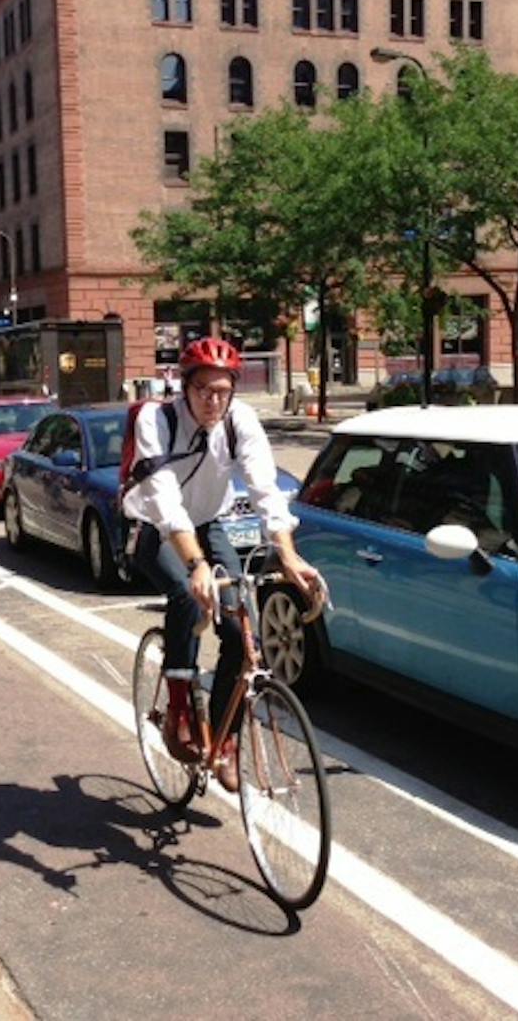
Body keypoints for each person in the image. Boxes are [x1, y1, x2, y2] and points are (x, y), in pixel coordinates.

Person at [123, 337, 322, 792]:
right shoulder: (157, 419)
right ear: (185, 387)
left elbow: (265, 489)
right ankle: (178, 710)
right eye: (204, 391)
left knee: (239, 627)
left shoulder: (240, 420)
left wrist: (287, 552)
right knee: (186, 597)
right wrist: (194, 565)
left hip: (210, 521)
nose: (213, 402)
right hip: (155, 527)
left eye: (223, 391)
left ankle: (225, 743)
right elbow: (165, 500)